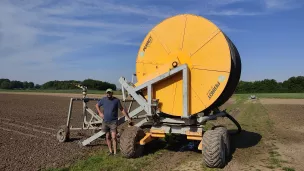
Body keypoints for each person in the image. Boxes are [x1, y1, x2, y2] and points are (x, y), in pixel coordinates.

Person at [95, 88, 131, 155]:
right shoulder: (103, 99)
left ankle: (115, 152)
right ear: (106, 93)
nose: (108, 94)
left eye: (110, 93)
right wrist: (100, 113)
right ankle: (110, 151)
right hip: (105, 121)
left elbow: (121, 109)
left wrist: (127, 117)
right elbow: (97, 105)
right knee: (107, 137)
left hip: (113, 122)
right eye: (107, 93)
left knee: (114, 137)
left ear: (112, 93)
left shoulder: (116, 100)